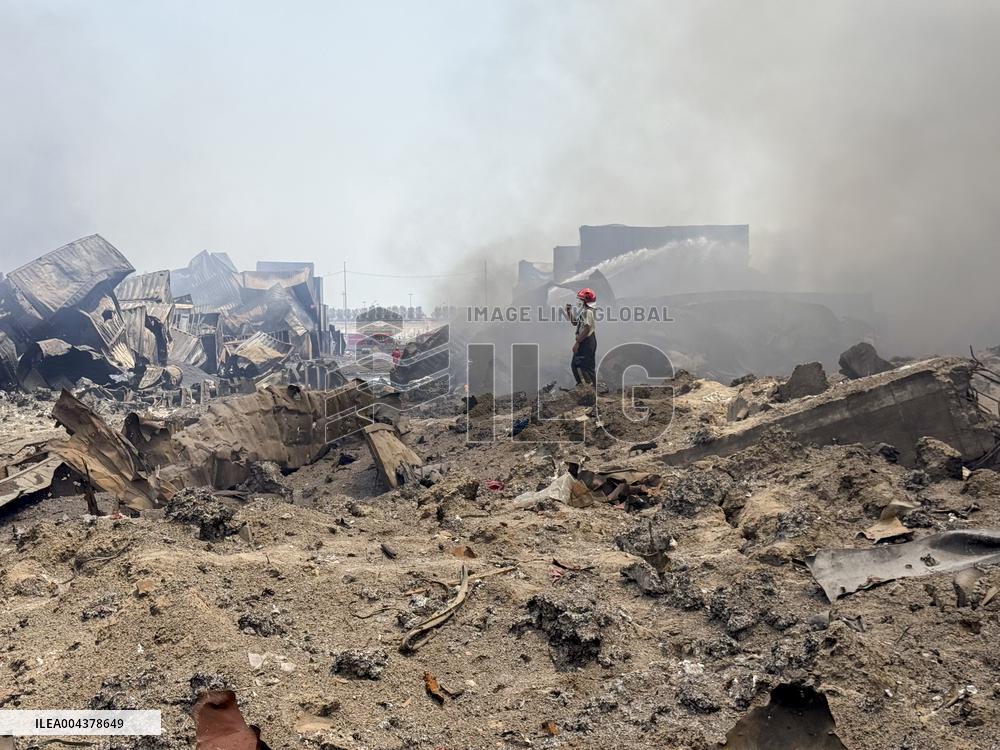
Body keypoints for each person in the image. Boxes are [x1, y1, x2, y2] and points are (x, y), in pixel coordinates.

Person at [565, 288, 597, 386]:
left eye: (581, 299)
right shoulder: (585, 311)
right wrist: (569, 312)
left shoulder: (588, 312)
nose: (579, 301)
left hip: (586, 341)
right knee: (581, 365)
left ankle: (587, 387)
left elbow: (587, 328)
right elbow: (575, 323)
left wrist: (577, 343)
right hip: (587, 340)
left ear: (586, 301)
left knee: (582, 365)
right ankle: (586, 386)